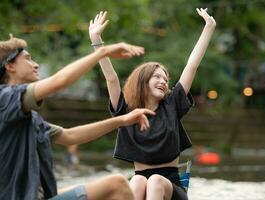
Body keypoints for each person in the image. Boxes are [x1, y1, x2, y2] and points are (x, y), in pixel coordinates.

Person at [0, 34, 155, 200]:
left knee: (77, 188)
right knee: (116, 185)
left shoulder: (30, 118)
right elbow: (60, 81)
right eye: (28, 59)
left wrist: (123, 120)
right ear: (10, 66)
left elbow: (70, 136)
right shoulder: (5, 98)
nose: (36, 64)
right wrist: (102, 52)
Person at [89, 8, 216, 200]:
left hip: (170, 187)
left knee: (155, 180)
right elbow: (111, 78)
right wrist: (97, 41)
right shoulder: (127, 112)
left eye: (165, 79)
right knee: (137, 181)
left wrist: (209, 27)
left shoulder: (172, 105)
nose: (164, 81)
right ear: (143, 81)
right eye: (157, 76)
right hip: (140, 185)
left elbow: (192, 65)